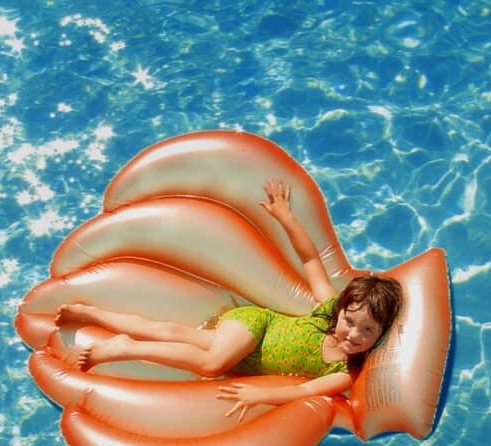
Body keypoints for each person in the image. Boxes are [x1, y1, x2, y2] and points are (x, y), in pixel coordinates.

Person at [55, 178, 403, 421]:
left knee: (170, 331)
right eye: (351, 320)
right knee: (211, 364)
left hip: (245, 355)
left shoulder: (342, 372)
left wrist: (261, 395)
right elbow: (312, 260)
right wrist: (286, 217)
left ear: (380, 335)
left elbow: (306, 390)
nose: (353, 334)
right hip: (255, 325)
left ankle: (92, 312)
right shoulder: (327, 310)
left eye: (367, 330)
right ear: (341, 311)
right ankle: (123, 348)